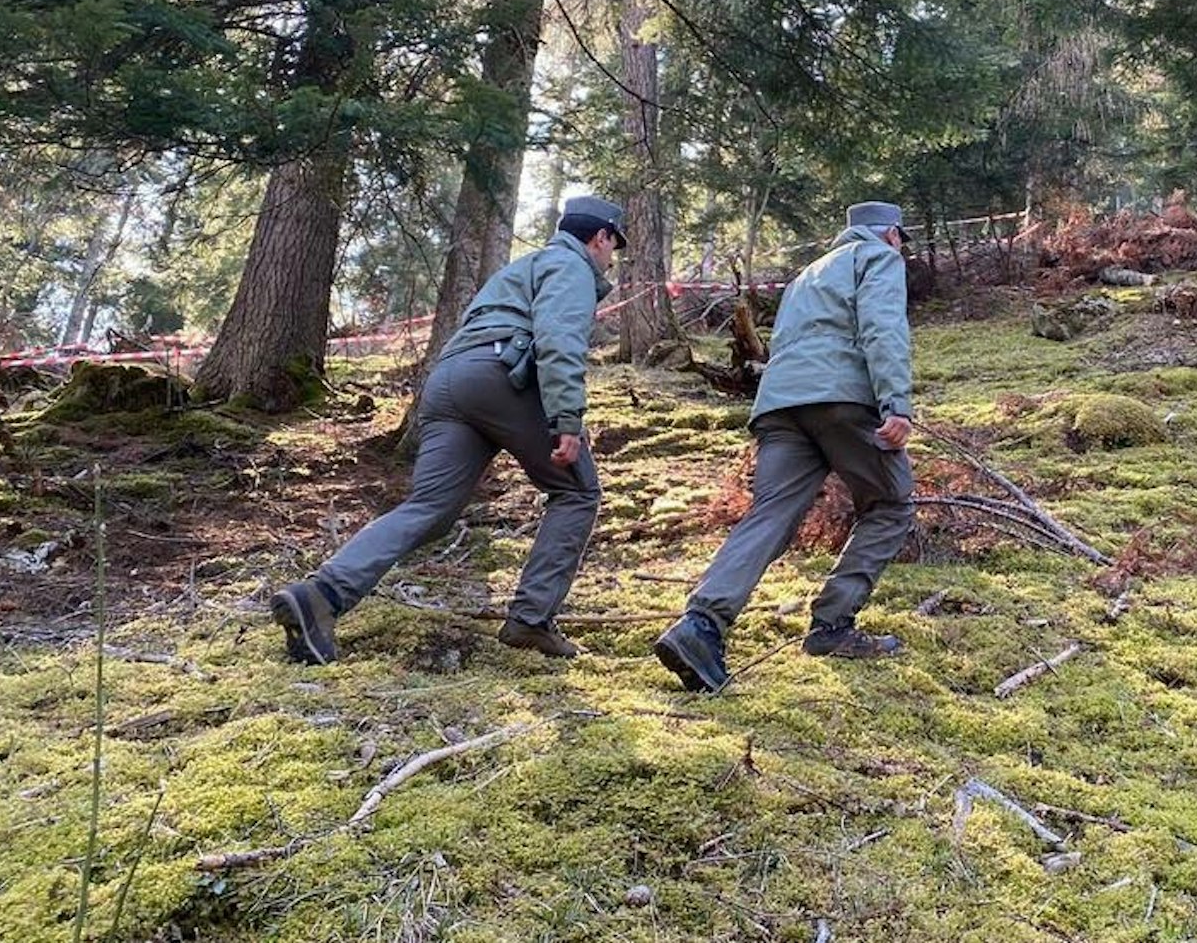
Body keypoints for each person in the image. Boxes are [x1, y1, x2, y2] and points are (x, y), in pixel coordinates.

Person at [271, 196, 627, 664]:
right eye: (613, 247)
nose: (611, 258)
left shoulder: (523, 268)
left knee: (431, 509)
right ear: (600, 236)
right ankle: (531, 620)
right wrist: (567, 419)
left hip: (448, 382)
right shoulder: (571, 266)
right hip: (502, 377)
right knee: (578, 491)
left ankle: (321, 596)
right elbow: (558, 340)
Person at [653, 201, 917, 692]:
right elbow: (883, 328)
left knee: (770, 514)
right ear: (891, 235)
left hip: (780, 405)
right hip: (841, 400)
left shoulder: (807, 275)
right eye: (901, 239)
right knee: (891, 503)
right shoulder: (878, 258)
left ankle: (701, 626)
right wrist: (896, 403)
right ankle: (832, 626)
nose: (900, 247)